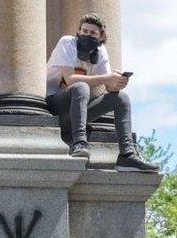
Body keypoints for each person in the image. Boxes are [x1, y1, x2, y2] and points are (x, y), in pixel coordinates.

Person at [46, 14, 160, 172]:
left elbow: (109, 88)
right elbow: (70, 79)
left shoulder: (100, 52)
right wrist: (107, 78)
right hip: (53, 108)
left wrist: (118, 81)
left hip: (76, 113)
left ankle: (127, 156)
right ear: (78, 32)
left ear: (101, 37)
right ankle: (80, 144)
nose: (87, 35)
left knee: (121, 98)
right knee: (81, 86)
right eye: (84, 31)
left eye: (92, 33)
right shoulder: (67, 42)